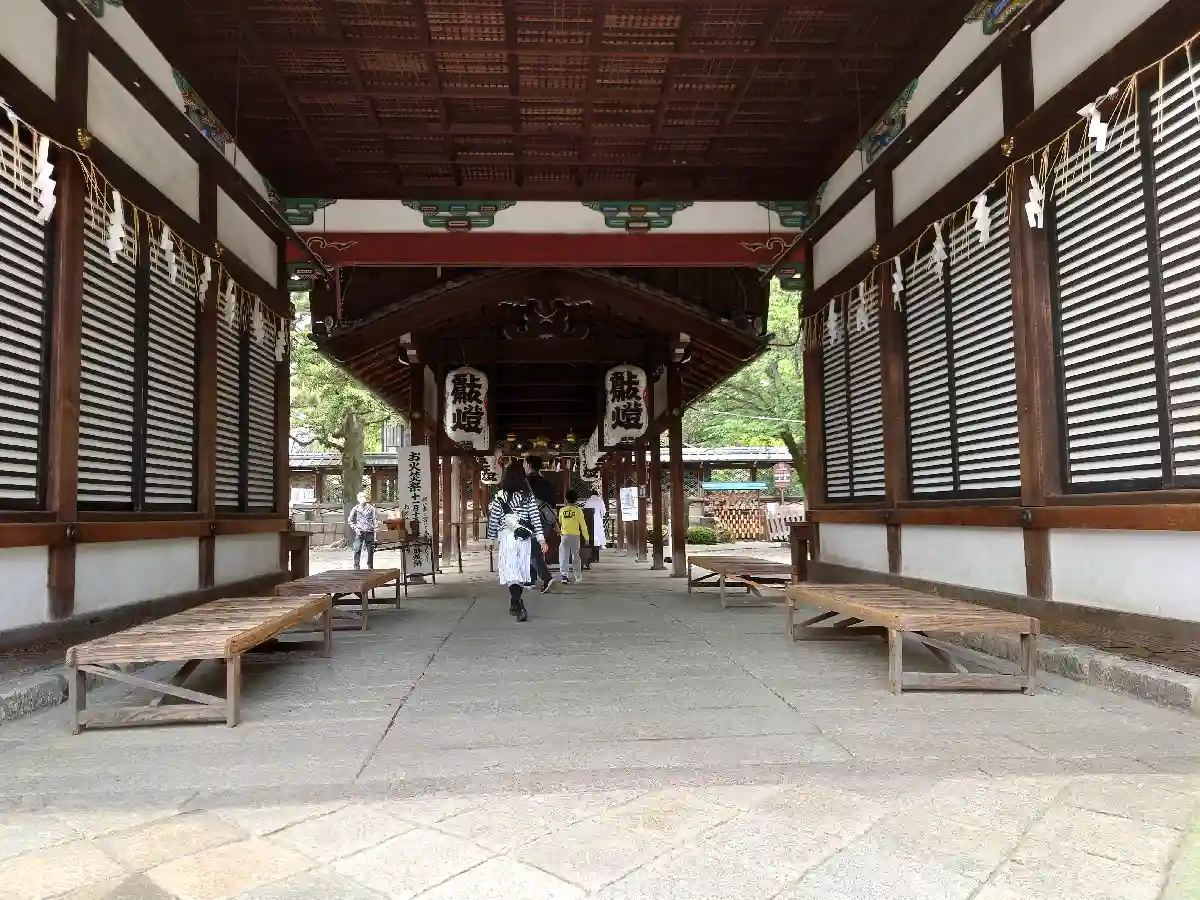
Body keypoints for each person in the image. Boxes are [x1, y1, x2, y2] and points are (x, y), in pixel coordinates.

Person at [486, 461, 547, 622]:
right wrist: (541, 539)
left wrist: (491, 540)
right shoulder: (528, 496)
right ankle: (516, 602)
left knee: (510, 570)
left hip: (507, 537)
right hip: (524, 538)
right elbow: (535, 518)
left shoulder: (500, 496)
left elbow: (494, 520)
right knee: (520, 570)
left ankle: (517, 602)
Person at [524, 456, 558, 593]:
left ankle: (547, 578)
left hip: (531, 521)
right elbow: (553, 504)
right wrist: (554, 523)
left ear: (528, 465)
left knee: (532, 551)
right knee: (534, 549)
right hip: (546, 521)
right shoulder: (547, 483)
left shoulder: (525, 482)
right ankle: (530, 579)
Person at [557, 489, 590, 583]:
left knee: (564, 556)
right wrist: (586, 538)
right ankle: (578, 576)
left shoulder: (562, 510)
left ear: (565, 499)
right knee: (575, 556)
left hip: (564, 536)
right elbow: (583, 526)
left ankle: (564, 576)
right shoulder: (578, 511)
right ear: (576, 500)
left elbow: (560, 521)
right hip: (575, 536)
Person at [347, 491, 379, 570]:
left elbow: (375, 520)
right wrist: (355, 528)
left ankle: (370, 566)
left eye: (363, 497)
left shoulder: (371, 508)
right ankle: (356, 566)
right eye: (360, 497)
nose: (362, 498)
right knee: (357, 548)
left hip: (369, 531)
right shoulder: (355, 508)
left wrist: (376, 533)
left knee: (370, 550)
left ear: (366, 498)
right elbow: (350, 520)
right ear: (358, 499)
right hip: (359, 531)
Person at [582, 489, 607, 554]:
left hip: (590, 519)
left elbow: (585, 510)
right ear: (597, 494)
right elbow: (603, 511)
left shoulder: (588, 501)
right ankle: (601, 545)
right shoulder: (600, 501)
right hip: (598, 518)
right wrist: (602, 516)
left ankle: (592, 544)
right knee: (599, 531)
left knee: (592, 532)